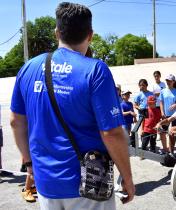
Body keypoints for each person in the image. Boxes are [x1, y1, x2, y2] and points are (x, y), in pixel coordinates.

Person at [10, 2, 134, 210]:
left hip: (46, 183)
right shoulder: (95, 70)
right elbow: (111, 132)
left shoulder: (28, 68)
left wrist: (29, 163)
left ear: (56, 32)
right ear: (90, 35)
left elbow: (16, 122)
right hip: (88, 185)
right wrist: (127, 177)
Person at [159, 74, 176, 153]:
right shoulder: (163, 91)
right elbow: (161, 102)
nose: (168, 82)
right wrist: (162, 112)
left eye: (169, 81)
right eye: (167, 81)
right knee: (162, 131)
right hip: (166, 114)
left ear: (173, 82)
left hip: (175, 115)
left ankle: (171, 149)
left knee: (173, 132)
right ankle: (165, 148)